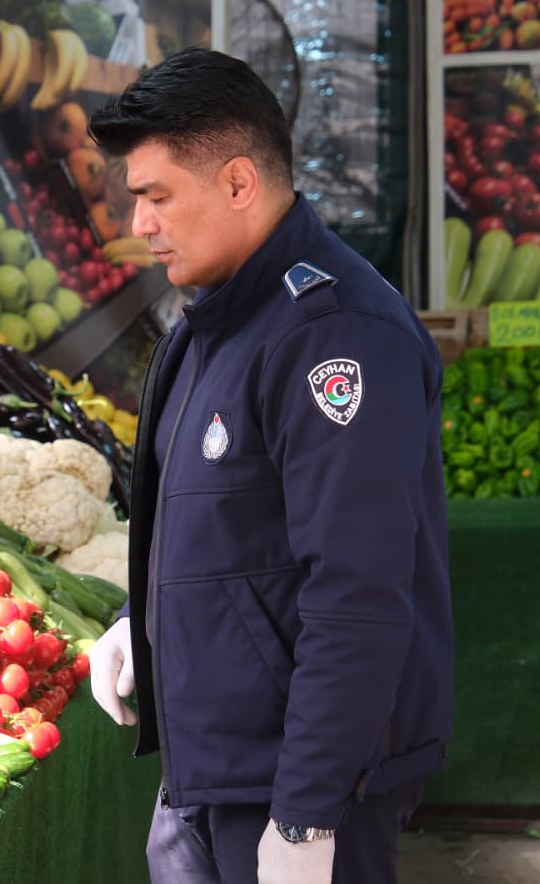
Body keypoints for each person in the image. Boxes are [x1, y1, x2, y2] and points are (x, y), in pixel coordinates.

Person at [85, 48, 453, 884]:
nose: (139, 224)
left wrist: (305, 818)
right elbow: (218, 522)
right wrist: (136, 619)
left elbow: (355, 593)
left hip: (299, 786)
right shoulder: (206, 328)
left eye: (154, 197)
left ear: (239, 183)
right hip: (205, 773)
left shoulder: (335, 337)